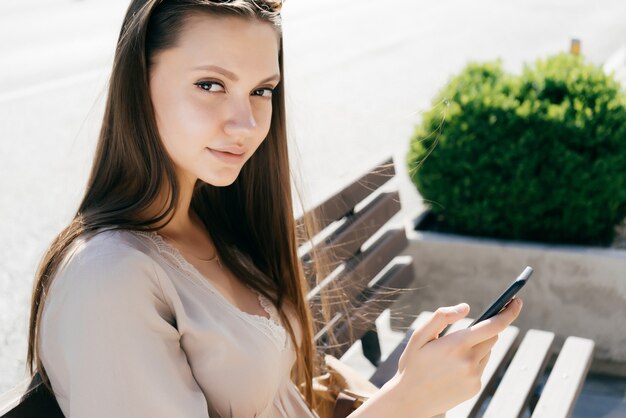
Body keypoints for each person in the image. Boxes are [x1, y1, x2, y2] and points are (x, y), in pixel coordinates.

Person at [25, 0, 524, 417]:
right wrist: (406, 401)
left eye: (261, 90)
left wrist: (410, 382)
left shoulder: (213, 221)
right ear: (139, 81)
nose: (245, 124)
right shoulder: (107, 280)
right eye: (211, 84)